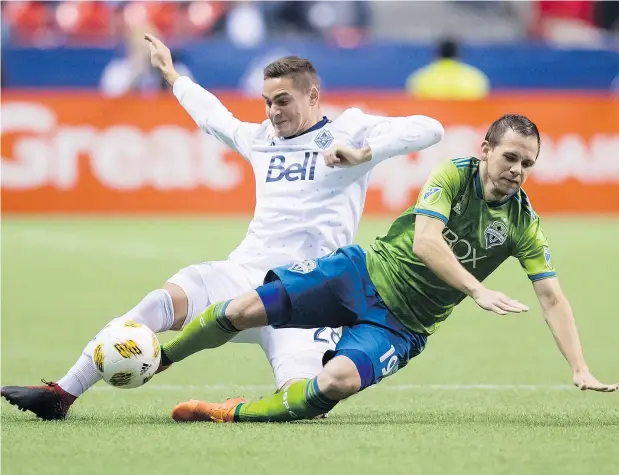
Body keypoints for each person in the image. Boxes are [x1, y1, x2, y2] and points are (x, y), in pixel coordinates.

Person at [0, 34, 444, 420]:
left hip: (309, 298)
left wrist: (365, 152)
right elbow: (215, 118)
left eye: (283, 100)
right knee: (160, 302)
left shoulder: (350, 129)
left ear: (313, 96)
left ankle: (230, 411)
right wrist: (174, 77)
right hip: (244, 277)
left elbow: (431, 128)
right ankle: (62, 393)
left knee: (302, 401)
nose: (273, 112)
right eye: (268, 102)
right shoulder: (262, 140)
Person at [158, 114, 618, 423]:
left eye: (527, 164)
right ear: (485, 150)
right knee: (240, 310)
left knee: (334, 384)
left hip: (403, 325)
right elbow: (425, 243)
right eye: (510, 157)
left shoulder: (523, 224)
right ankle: (163, 358)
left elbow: (552, 296)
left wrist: (579, 367)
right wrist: (476, 289)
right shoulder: (453, 175)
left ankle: (229, 412)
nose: (517, 170)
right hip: (359, 274)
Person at [406, 38, 489, 100]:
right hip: (465, 120)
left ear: (437, 53)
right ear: (459, 54)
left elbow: (415, 104)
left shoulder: (420, 77)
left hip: (433, 118)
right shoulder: (475, 77)